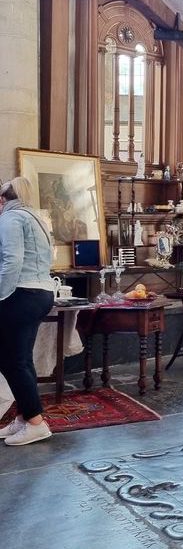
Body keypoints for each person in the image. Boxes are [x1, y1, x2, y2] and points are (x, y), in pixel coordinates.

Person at [0, 178, 57, 446]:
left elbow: (12, 261)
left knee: (12, 361)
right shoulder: (34, 217)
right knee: (21, 359)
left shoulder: (10, 219)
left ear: (2, 200)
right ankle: (25, 417)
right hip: (41, 293)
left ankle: (35, 423)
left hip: (21, 294)